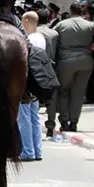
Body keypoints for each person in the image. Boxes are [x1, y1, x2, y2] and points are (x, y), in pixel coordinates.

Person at [53, 2, 94, 132]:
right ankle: (74, 122)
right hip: (85, 60)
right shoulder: (89, 24)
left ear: (70, 10)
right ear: (82, 12)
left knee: (64, 91)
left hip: (66, 60)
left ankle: (64, 121)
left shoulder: (62, 24)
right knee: (79, 92)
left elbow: (53, 37)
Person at [18, 11, 45, 161]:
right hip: (38, 81)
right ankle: (37, 151)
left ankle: (28, 151)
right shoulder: (41, 38)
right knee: (34, 117)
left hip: (27, 81)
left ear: (27, 21)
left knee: (25, 117)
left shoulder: (27, 39)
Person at [37, 9, 59, 137]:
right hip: (51, 67)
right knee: (51, 98)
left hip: (36, 67)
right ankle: (51, 124)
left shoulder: (34, 32)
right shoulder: (54, 33)